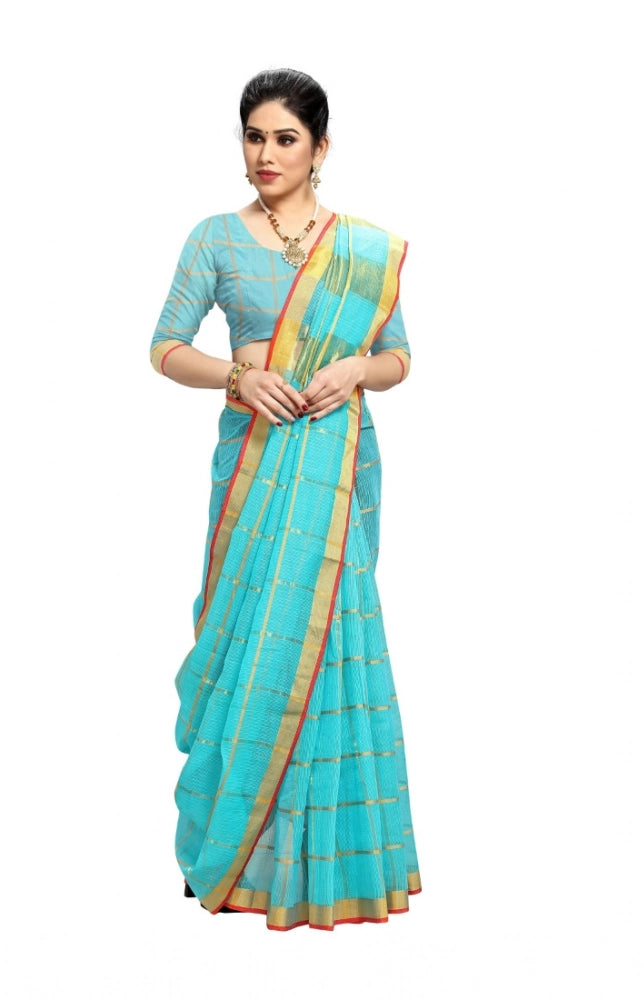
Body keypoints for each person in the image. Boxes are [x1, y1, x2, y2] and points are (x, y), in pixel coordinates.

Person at [149, 68, 421, 931]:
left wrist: (357, 368)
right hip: (254, 465)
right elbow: (164, 347)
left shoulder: (362, 250)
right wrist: (238, 377)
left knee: (327, 641)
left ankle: (325, 867)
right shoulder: (215, 240)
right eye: (253, 136)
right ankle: (232, 852)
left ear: (320, 148)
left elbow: (400, 359)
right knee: (245, 646)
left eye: (285, 139)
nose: (266, 154)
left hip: (335, 471)